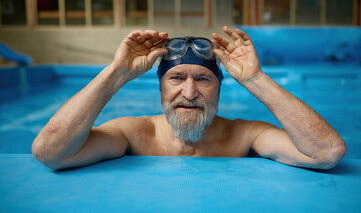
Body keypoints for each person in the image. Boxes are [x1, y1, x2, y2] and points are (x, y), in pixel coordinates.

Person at [32, 26, 346, 170]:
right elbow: (50, 153)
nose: (190, 92)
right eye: (176, 78)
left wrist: (256, 80)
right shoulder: (133, 135)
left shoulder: (246, 136)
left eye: (204, 79)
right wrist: (116, 73)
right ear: (160, 87)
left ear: (220, 87)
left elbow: (327, 152)